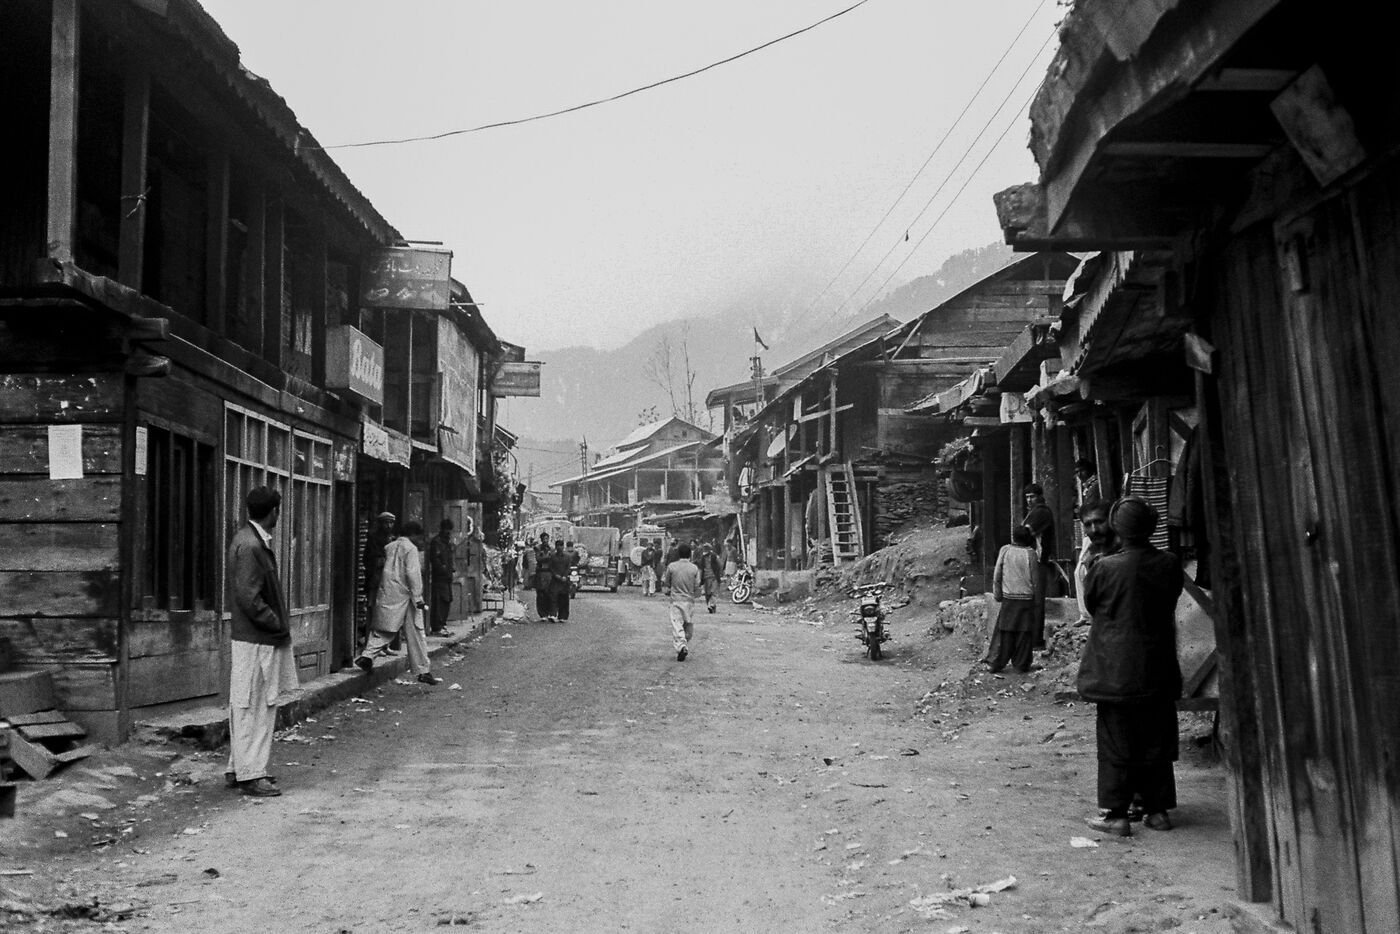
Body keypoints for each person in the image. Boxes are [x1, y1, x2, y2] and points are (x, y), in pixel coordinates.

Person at [1078, 497, 1184, 837]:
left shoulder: (1104, 567)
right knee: (1156, 738)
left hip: (1115, 669)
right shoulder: (1169, 564)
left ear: (1116, 528)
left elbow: (1093, 605)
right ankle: (1157, 812)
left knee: (1116, 740)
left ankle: (1116, 814)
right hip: (1158, 666)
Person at [224, 486, 296, 797]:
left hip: (252, 637)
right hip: (257, 638)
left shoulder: (247, 540)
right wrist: (276, 623)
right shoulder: (252, 546)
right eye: (278, 510)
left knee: (245, 703)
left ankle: (239, 767)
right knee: (256, 706)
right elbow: (250, 598)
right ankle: (251, 774)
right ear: (273, 512)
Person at [355, 521, 442, 685]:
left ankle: (367, 656)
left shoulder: (390, 547)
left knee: (384, 629)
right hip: (407, 595)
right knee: (416, 633)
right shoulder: (411, 549)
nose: (420, 541)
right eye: (419, 537)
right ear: (413, 535)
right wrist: (418, 598)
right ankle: (423, 670)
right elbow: (413, 573)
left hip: (389, 592)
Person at [987, 526, 1039, 673]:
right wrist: (1036, 600)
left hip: (1009, 598)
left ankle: (995, 663)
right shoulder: (1031, 553)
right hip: (1026, 599)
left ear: (1013, 537)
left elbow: (997, 574)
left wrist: (997, 594)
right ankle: (1022, 664)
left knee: (1004, 631)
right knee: (1024, 632)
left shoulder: (1005, 550)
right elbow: (1035, 580)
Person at [1021, 483, 1055, 648]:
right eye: (1027, 497)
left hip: (1038, 559)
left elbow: (1025, 534)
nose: (1029, 500)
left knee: (1037, 600)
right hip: (1032, 559)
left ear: (1040, 496)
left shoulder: (1042, 512)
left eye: (1032, 496)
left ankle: (1035, 639)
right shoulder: (1034, 512)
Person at [1074, 501, 1116, 625]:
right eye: (1088, 524)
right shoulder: (1090, 551)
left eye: (1099, 522)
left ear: (1111, 521)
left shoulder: (1124, 557)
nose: (1094, 529)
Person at [662, 542, 702, 661]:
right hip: (689, 601)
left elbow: (666, 583)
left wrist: (668, 591)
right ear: (690, 554)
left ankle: (681, 646)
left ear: (678, 554)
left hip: (676, 600)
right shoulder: (694, 568)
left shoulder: (671, 567)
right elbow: (697, 586)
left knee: (677, 624)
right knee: (688, 624)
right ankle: (684, 643)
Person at [427, 519, 456, 637]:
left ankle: (442, 624)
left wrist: (451, 569)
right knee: (439, 601)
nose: (448, 532)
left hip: (447, 576)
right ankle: (437, 627)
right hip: (439, 577)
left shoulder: (447, 542)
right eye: (447, 530)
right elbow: (436, 560)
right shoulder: (437, 542)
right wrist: (443, 570)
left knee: (447, 600)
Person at [463, 526, 487, 614]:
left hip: (476, 568)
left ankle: (475, 606)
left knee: (476, 587)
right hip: (470, 568)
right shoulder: (467, 543)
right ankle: (472, 606)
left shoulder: (478, 544)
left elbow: (483, 556)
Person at [533, 533, 556, 621]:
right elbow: (538, 559)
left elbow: (553, 558)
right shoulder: (538, 548)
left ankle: (551, 613)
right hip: (541, 573)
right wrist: (547, 558)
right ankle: (543, 614)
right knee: (541, 594)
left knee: (551, 594)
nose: (545, 540)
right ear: (541, 539)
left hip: (549, 573)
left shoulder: (552, 548)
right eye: (544, 539)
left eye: (547, 538)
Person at [549, 539, 573, 622]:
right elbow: (551, 567)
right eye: (558, 546)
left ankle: (563, 616)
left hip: (564, 581)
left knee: (563, 599)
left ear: (563, 547)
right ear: (556, 547)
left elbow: (568, 567)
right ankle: (553, 614)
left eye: (561, 545)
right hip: (555, 580)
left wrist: (564, 576)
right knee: (553, 598)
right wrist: (556, 575)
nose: (559, 547)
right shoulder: (552, 556)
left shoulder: (567, 557)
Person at [698, 541, 723, 614]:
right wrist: (699, 578)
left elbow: (720, 564)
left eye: (706, 548)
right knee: (707, 593)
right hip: (706, 577)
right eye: (704, 548)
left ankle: (712, 605)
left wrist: (719, 573)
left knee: (714, 592)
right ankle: (711, 605)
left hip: (714, 577)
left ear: (709, 549)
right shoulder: (702, 557)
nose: (705, 549)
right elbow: (701, 568)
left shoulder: (714, 556)